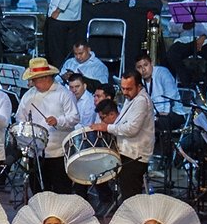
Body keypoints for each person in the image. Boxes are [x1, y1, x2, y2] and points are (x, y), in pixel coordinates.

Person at [14, 58, 76, 194]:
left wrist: (58, 121)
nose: (33, 83)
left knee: (61, 190)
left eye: (35, 79)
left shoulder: (63, 93)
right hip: (35, 152)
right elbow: (20, 117)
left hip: (58, 151)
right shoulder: (28, 95)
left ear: (46, 78)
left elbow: (74, 118)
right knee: (38, 191)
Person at [89, 70, 153, 199]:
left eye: (129, 89)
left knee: (130, 197)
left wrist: (106, 127)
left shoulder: (141, 101)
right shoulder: (132, 98)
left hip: (135, 155)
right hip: (128, 152)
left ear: (139, 86)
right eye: (123, 88)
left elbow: (131, 129)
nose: (124, 92)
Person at [138, 54, 181, 131]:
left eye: (145, 65)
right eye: (139, 67)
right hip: (153, 114)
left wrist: (164, 112)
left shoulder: (162, 72)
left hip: (172, 112)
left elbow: (170, 95)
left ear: (151, 63)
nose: (143, 69)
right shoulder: (139, 80)